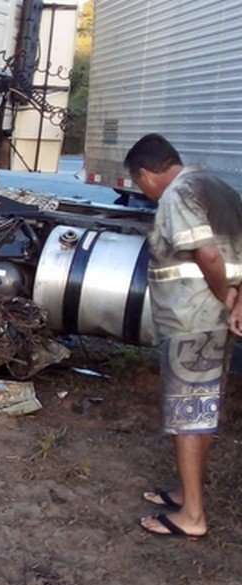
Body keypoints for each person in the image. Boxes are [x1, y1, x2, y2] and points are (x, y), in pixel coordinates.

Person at [123, 133, 242, 538]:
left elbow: (208, 255)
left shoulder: (178, 194)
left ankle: (192, 515)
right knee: (202, 408)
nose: (144, 191)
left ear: (145, 173)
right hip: (216, 320)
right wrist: (236, 297)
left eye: (139, 184)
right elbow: (234, 255)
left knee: (187, 416)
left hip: (191, 319)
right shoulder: (219, 188)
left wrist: (224, 293)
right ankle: (184, 493)